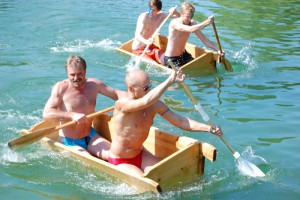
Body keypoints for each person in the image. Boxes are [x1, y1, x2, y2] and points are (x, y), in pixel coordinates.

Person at [100, 69, 223, 176]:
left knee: (170, 176)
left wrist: (208, 128)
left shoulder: (154, 104)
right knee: (150, 188)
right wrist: (170, 80)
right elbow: (144, 102)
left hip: (140, 154)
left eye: (150, 86)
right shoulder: (122, 104)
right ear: (131, 88)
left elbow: (180, 121)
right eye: (145, 88)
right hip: (121, 159)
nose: (149, 90)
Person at [43, 55, 126, 156]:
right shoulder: (61, 88)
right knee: (90, 162)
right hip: (70, 140)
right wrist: (72, 115)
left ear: (85, 72)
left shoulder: (94, 84)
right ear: (67, 73)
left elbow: (116, 94)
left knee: (114, 155)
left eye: (79, 74)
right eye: (72, 75)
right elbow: (47, 114)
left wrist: (137, 97)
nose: (76, 78)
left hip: (90, 135)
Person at [164, 2, 224, 68]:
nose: (189, 19)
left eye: (191, 16)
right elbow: (190, 29)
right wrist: (207, 22)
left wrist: (218, 50)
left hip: (184, 55)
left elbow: (204, 39)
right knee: (182, 76)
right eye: (187, 17)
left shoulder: (192, 23)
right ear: (181, 13)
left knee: (201, 68)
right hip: (171, 59)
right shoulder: (174, 23)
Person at [132, 0, 180, 64]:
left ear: (158, 11)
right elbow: (137, 35)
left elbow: (178, 16)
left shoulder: (161, 15)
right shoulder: (143, 17)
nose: (151, 12)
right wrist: (146, 41)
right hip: (138, 49)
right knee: (153, 64)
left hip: (150, 47)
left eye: (154, 10)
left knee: (165, 61)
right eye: (150, 9)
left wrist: (175, 12)